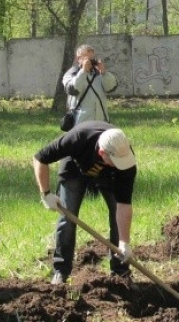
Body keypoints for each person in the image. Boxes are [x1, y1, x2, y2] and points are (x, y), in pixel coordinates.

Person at [33, 121, 137, 285]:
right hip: (75, 168)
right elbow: (40, 158)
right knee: (67, 217)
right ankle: (61, 271)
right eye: (115, 160)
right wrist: (45, 194)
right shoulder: (78, 138)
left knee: (116, 211)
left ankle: (121, 273)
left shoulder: (124, 157)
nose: (120, 164)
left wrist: (124, 242)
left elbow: (124, 204)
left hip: (108, 176)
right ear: (102, 152)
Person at [62, 44, 117, 126]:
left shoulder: (99, 74)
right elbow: (72, 90)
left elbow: (112, 88)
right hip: (80, 122)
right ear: (78, 59)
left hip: (101, 121)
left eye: (91, 59)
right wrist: (83, 71)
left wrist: (104, 73)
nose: (89, 62)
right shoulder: (72, 73)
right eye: (86, 58)